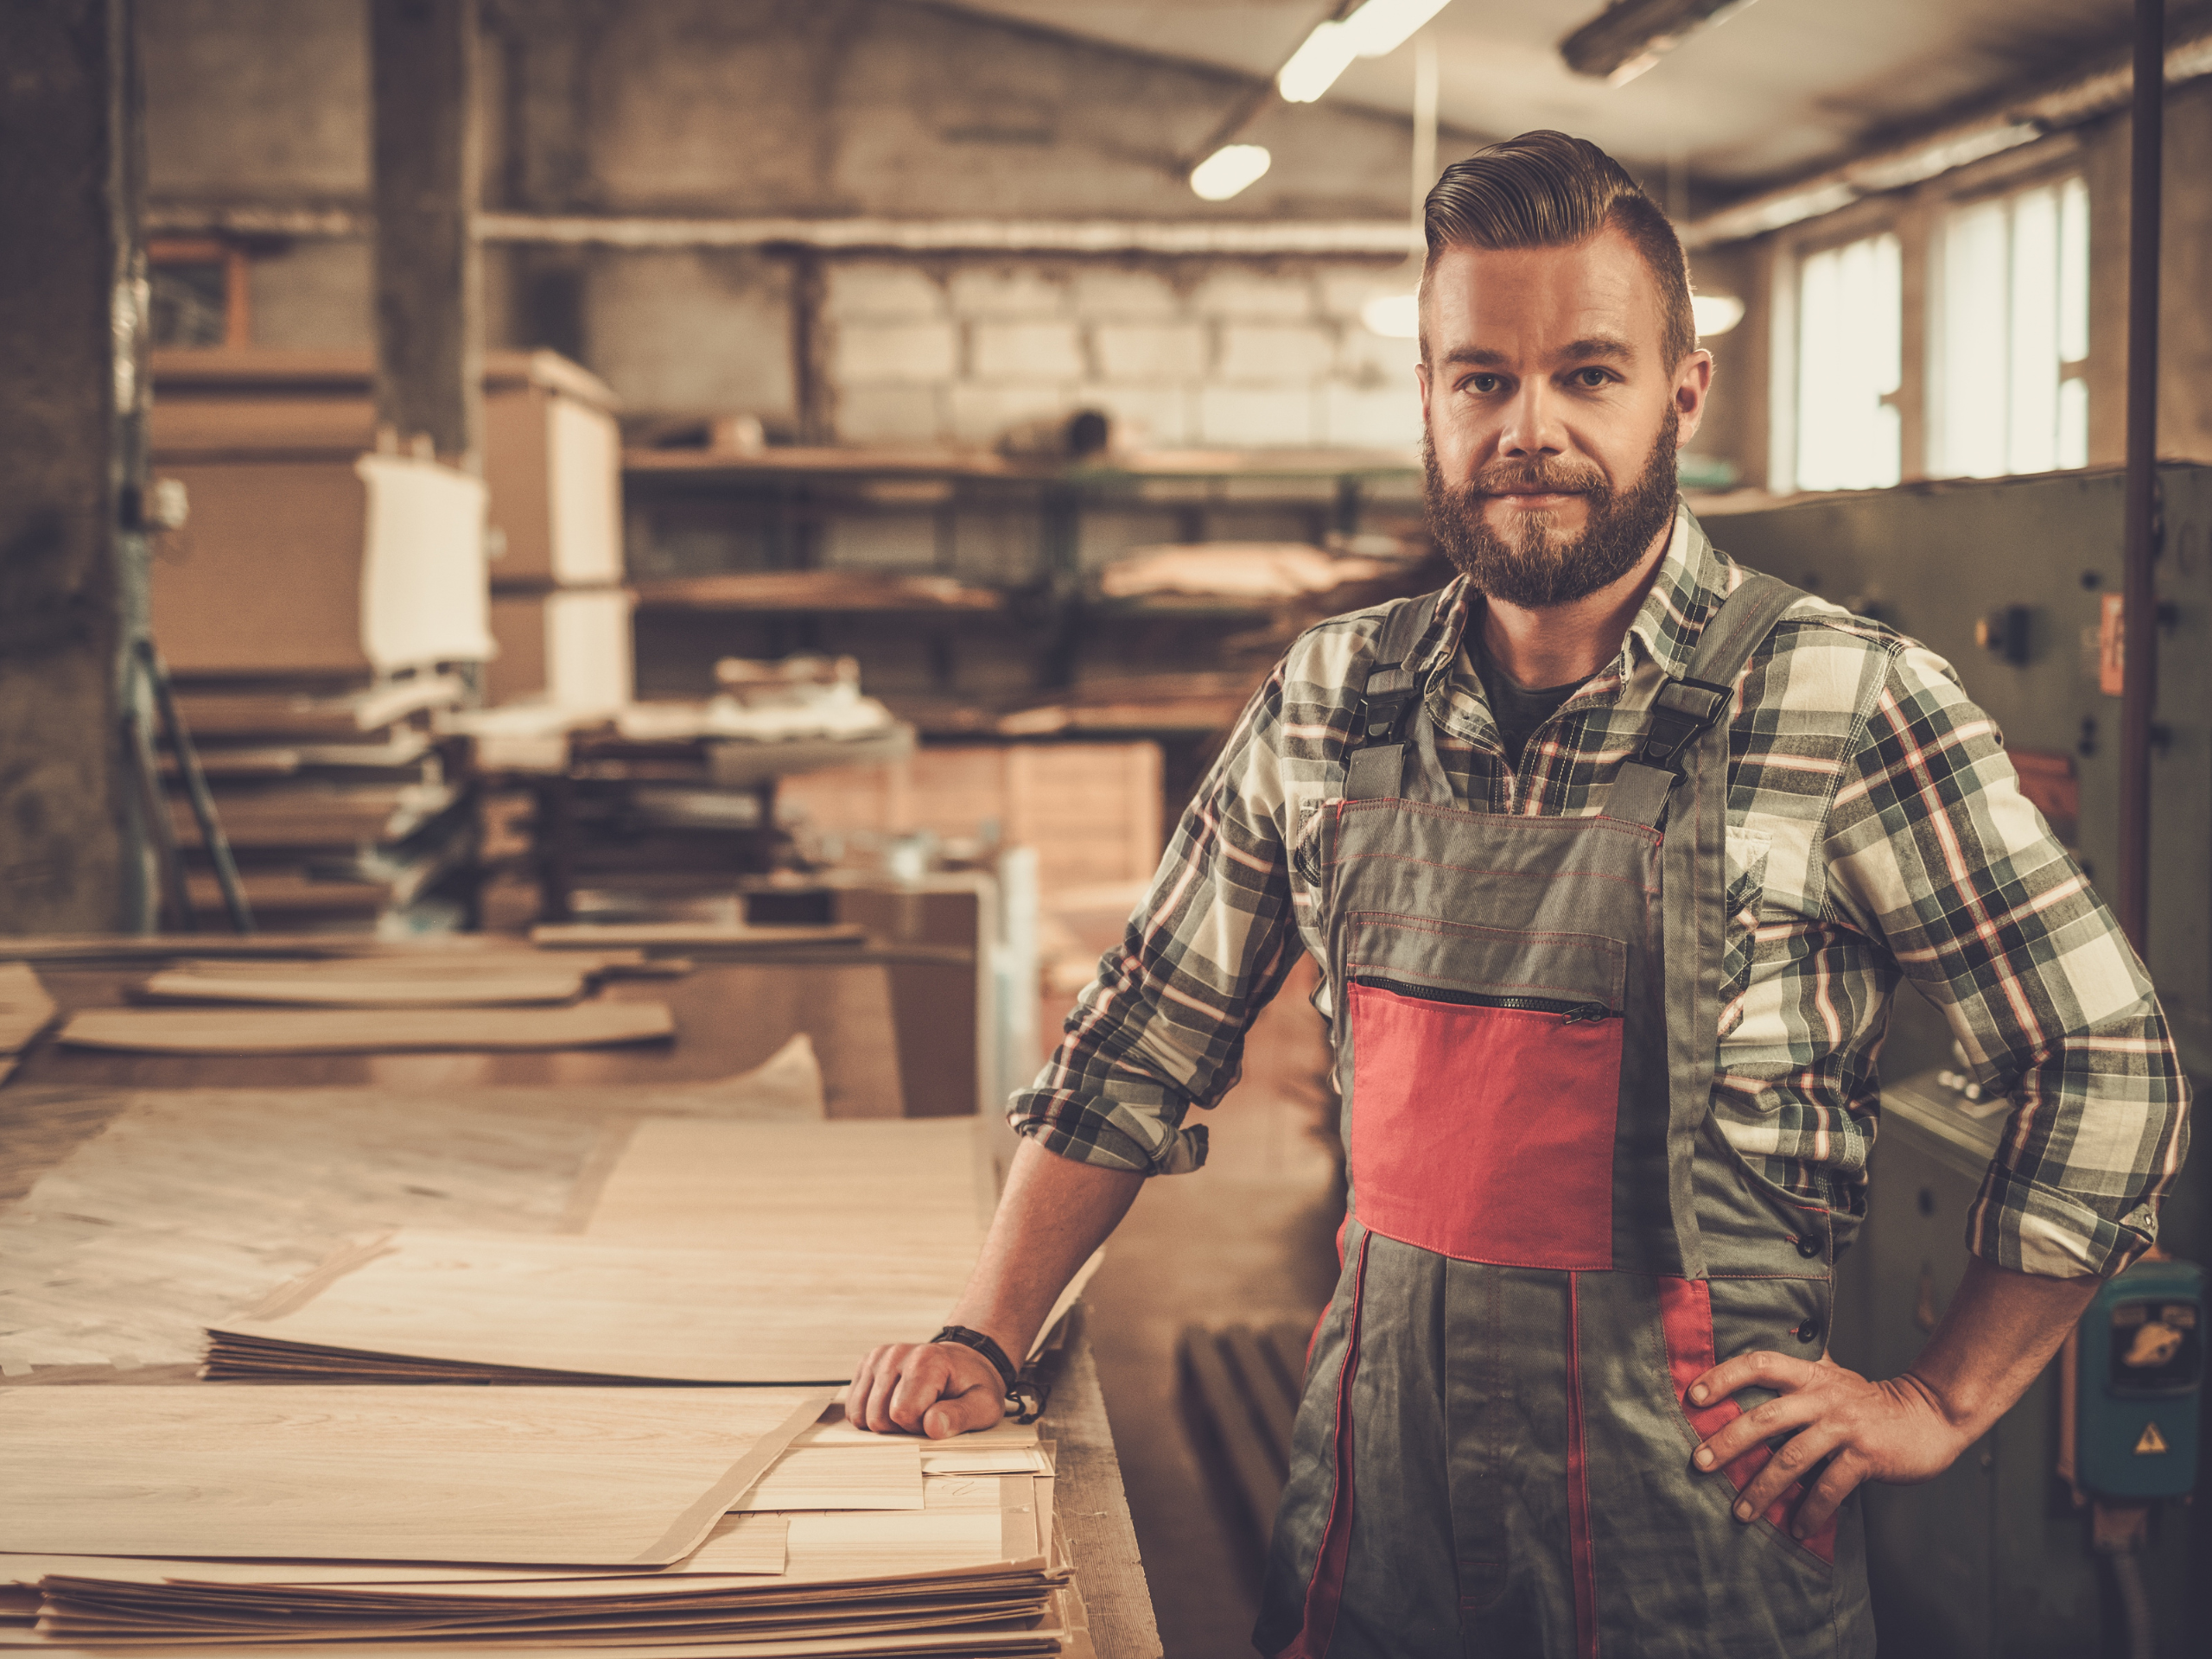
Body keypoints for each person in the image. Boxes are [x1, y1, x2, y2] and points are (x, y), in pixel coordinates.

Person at [844, 130, 2190, 1656]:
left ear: (1684, 391)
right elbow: (1140, 1033)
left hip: (1703, 1541)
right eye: (1481, 377)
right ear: (1427, 397)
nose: (1529, 428)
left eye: (1588, 374)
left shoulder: (1844, 698)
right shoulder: (1331, 699)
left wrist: (1941, 1400)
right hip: (1374, 1519)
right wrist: (987, 1331)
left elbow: (2104, 1060)